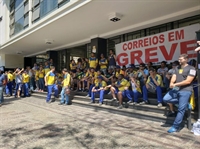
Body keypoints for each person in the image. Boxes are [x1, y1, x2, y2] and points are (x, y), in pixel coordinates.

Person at [163, 54, 196, 133]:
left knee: (181, 110)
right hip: (176, 89)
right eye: (179, 59)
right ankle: (185, 104)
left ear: (186, 59)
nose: (179, 61)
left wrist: (175, 84)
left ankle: (175, 127)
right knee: (165, 99)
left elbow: (188, 81)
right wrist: (171, 82)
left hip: (185, 90)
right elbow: (174, 76)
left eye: (181, 59)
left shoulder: (192, 68)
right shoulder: (177, 68)